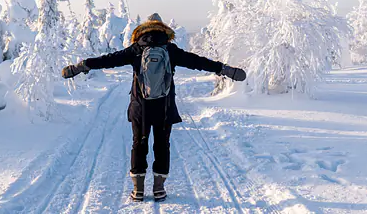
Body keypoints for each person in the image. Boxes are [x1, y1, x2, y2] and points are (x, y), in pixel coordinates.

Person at [61, 13, 246, 202]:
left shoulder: (136, 49)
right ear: (162, 29)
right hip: (164, 107)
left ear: (143, 30)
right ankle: (159, 189)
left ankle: (138, 190)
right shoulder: (170, 49)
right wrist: (225, 69)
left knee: (138, 144)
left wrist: (81, 66)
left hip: (140, 107)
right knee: (162, 145)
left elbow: (108, 59)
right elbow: (197, 62)